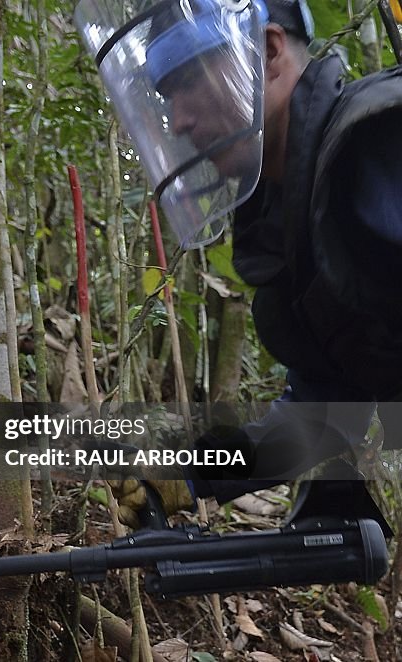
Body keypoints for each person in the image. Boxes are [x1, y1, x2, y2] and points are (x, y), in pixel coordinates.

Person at [74, 0, 402, 526]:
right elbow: (323, 414)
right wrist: (189, 472)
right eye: (166, 95)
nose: (178, 120)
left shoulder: (375, 143)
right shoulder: (289, 216)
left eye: (189, 79)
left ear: (269, 52)